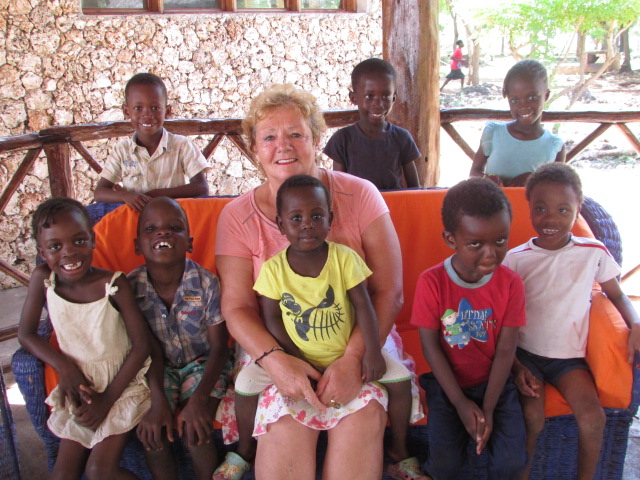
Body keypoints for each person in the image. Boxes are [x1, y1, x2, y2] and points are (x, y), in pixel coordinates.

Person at [215, 83, 420, 480]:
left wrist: (353, 358)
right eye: (269, 137)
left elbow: (388, 292)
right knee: (284, 424)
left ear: (316, 139)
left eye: (296, 133)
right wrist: (278, 361)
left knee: (361, 417)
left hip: (361, 335)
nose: (283, 146)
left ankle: (397, 451)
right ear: (254, 148)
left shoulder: (360, 195)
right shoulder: (237, 216)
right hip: (275, 343)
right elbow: (237, 308)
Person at [502, 163, 640, 479]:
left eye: (563, 210)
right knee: (532, 418)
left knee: (593, 418)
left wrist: (635, 323)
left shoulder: (593, 252)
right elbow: (503, 318)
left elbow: (617, 295)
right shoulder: (516, 259)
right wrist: (516, 366)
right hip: (526, 356)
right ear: (529, 208)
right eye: (541, 209)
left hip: (569, 360)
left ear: (579, 209)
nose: (551, 218)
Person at [18, 198, 152, 480]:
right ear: (42, 252)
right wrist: (65, 368)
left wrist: (106, 401)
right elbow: (26, 334)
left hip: (121, 384)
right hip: (79, 386)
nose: (69, 253)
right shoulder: (43, 279)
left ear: (92, 240)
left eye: (79, 241)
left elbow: (142, 346)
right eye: (55, 247)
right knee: (63, 474)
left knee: (99, 471)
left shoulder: (113, 284)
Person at [411, 178, 527, 479]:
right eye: (476, 244)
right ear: (451, 239)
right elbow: (430, 347)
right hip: (448, 385)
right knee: (445, 466)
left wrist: (488, 408)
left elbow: (506, 349)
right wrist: (461, 403)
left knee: (511, 464)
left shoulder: (511, 284)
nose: (490, 253)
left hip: (495, 384)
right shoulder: (431, 282)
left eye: (500, 241)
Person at [128, 197, 232, 480]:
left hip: (203, 364)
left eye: (174, 228)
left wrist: (199, 399)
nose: (163, 232)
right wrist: (157, 402)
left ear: (189, 242)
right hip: (155, 369)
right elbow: (141, 349)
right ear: (137, 245)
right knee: (154, 432)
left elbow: (220, 348)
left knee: (194, 430)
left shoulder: (207, 283)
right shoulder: (129, 288)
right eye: (151, 229)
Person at [94, 73, 210, 212]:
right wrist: (125, 196)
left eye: (155, 108)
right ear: (127, 111)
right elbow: (99, 192)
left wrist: (159, 195)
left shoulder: (181, 145)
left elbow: (201, 187)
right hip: (136, 221)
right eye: (138, 108)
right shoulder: (122, 150)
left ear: (167, 111)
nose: (147, 115)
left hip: (172, 219)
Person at [323, 58, 421, 190]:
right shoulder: (342, 140)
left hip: (392, 204)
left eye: (386, 96)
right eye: (369, 96)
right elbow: (339, 188)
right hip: (357, 204)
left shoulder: (402, 138)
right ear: (354, 98)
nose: (379, 104)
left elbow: (415, 189)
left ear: (394, 98)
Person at [469, 59, 566, 187]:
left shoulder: (554, 146)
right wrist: (487, 179)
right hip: (493, 200)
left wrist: (533, 181)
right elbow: (474, 172)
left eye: (532, 97)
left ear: (546, 95)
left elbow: (558, 189)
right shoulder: (494, 133)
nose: (523, 106)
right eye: (515, 100)